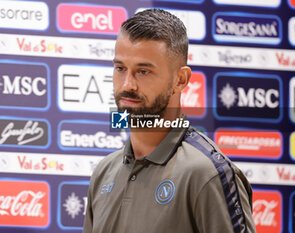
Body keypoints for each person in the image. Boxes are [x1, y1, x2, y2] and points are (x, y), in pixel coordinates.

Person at [83, 9, 256, 233]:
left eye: (143, 71)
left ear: (180, 80)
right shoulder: (104, 172)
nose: (127, 85)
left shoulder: (207, 174)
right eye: (120, 68)